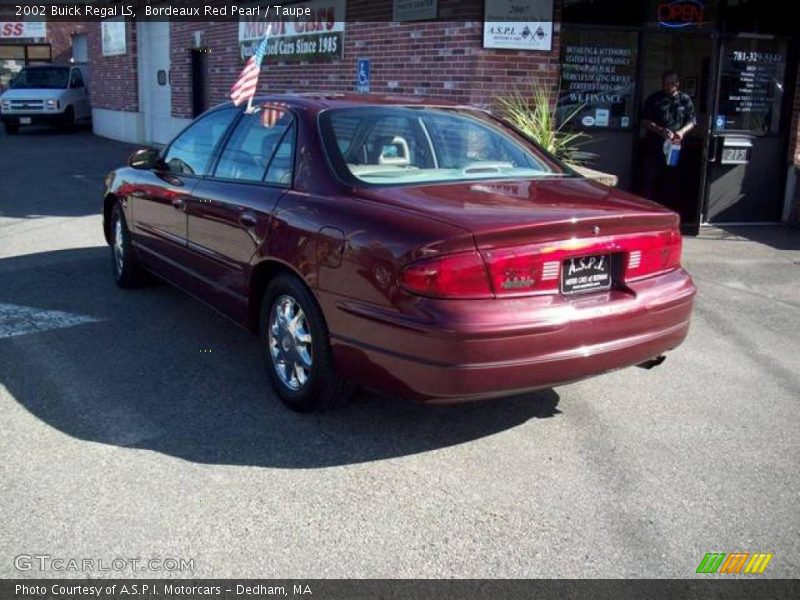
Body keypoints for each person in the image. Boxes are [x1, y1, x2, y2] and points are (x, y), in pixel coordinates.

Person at [639, 70, 697, 205]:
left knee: (672, 181)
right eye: (666, 83)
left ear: (678, 84)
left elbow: (692, 121)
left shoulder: (685, 100)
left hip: (675, 148)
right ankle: (647, 210)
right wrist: (660, 130)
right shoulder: (654, 99)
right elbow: (644, 120)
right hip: (654, 147)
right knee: (649, 180)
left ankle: (668, 210)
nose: (668, 86)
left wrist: (682, 132)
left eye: (672, 83)